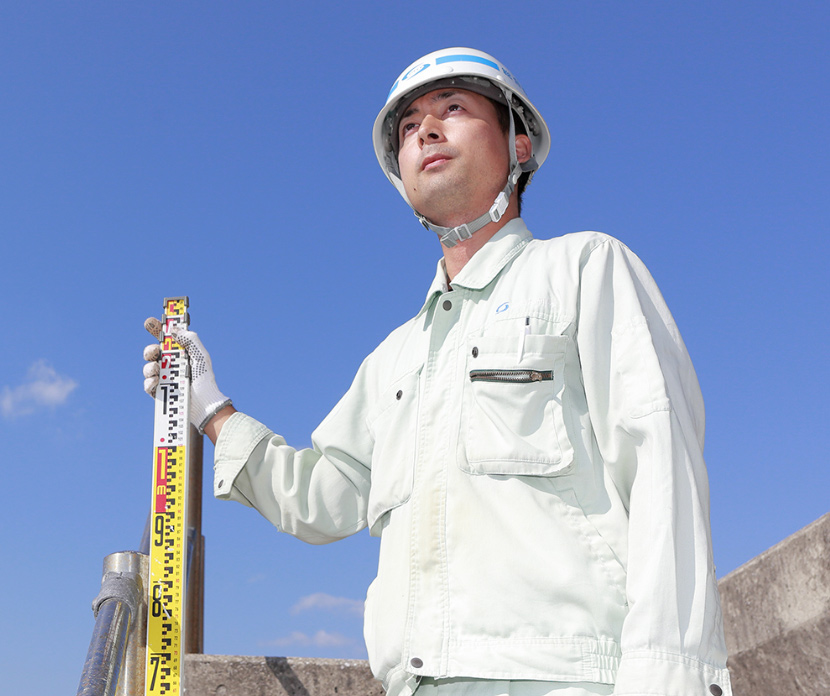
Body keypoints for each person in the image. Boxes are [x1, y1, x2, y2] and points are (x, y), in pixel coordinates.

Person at [144, 48, 733, 696]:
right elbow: (320, 497)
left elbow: (662, 471)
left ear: (521, 144)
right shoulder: (395, 358)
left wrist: (669, 680)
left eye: (452, 108)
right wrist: (208, 408)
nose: (424, 129)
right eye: (407, 126)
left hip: (563, 678)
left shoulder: (585, 271)